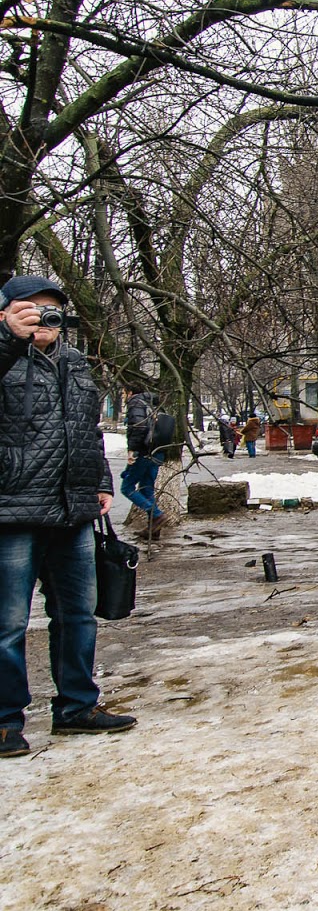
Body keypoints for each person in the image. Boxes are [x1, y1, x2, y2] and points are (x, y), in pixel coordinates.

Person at [1, 274, 136, 758]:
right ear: (6, 312)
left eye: (50, 310)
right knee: (9, 624)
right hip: (11, 510)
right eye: (29, 308)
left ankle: (77, 706)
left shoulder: (76, 364)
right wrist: (8, 342)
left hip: (72, 509)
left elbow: (88, 430)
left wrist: (100, 480)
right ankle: (4, 723)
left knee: (78, 616)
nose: (42, 318)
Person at [122, 389, 170, 537]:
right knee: (146, 489)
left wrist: (132, 450)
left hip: (143, 452)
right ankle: (153, 530)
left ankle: (157, 515)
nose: (122, 396)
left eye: (123, 393)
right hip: (157, 452)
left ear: (130, 392)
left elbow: (138, 427)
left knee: (127, 487)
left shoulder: (136, 402)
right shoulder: (155, 403)